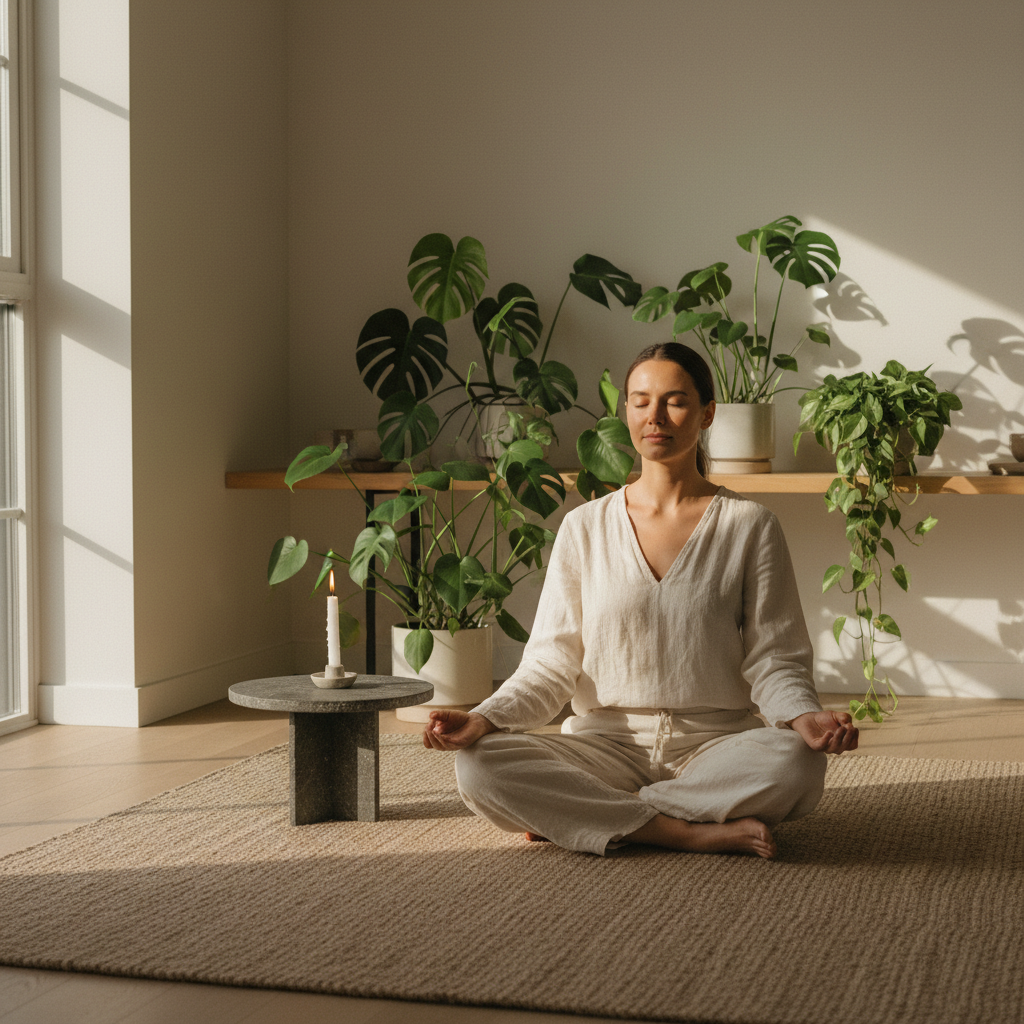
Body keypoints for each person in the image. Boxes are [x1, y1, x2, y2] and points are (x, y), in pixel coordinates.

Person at [422, 342, 858, 858]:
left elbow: (776, 656)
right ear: (625, 411)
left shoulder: (750, 525)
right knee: (478, 763)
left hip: (715, 745)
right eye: (640, 400)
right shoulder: (583, 526)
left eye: (675, 401)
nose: (655, 416)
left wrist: (804, 718)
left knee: (797, 763)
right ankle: (680, 828)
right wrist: (485, 717)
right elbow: (550, 664)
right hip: (602, 744)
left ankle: (593, 813)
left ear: (706, 413)